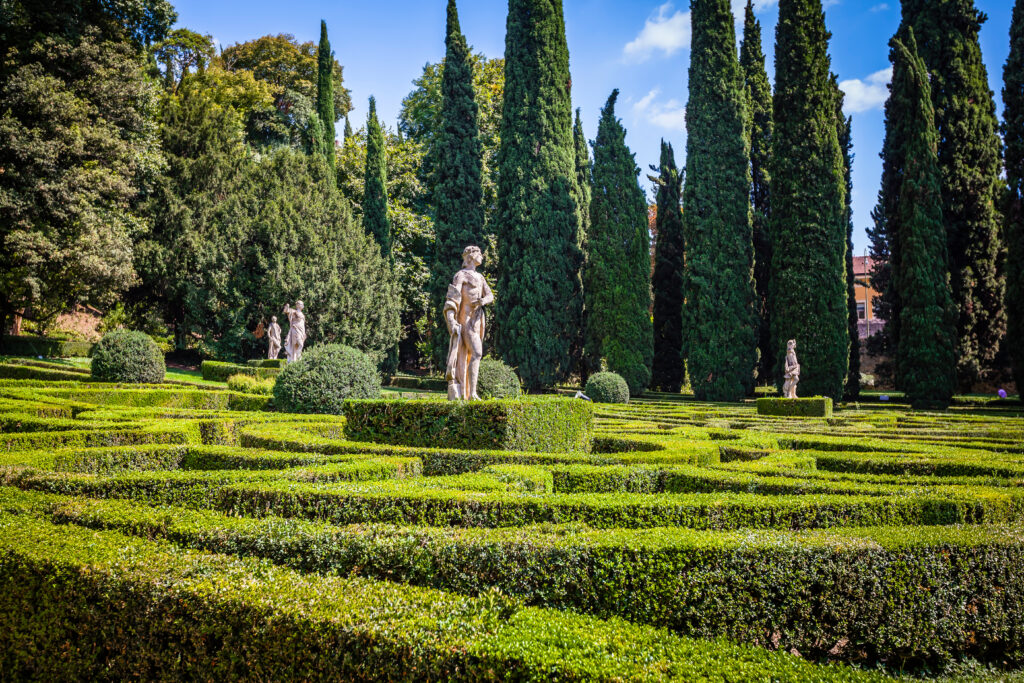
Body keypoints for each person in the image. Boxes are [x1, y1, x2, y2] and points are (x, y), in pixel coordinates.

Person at [444, 246, 494, 400]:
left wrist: (483, 301)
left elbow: (490, 295)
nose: (482, 256)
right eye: (479, 253)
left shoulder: (480, 277)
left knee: (474, 354)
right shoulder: (461, 275)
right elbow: (452, 298)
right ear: (471, 257)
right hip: (465, 321)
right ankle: (471, 393)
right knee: (477, 353)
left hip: (477, 320)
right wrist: (451, 319)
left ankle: (469, 392)